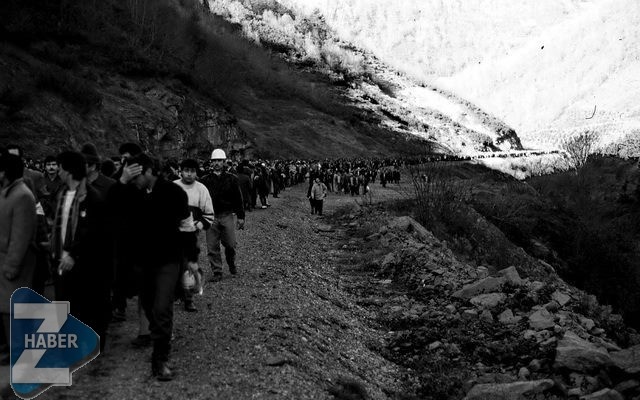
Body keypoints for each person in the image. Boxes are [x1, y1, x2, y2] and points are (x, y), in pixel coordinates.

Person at [110, 153, 198, 381]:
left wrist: (192, 258)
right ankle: (160, 335)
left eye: (135, 175)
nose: (133, 180)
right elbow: (110, 207)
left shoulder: (172, 192)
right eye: (129, 176)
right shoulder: (130, 192)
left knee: (162, 306)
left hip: (169, 260)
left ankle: (160, 358)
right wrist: (122, 181)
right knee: (149, 305)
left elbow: (187, 225)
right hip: (141, 262)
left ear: (148, 171)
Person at [51, 151, 111, 352]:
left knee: (88, 302)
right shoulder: (61, 194)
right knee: (65, 301)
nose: (57, 171)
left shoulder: (92, 198)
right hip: (61, 258)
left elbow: (92, 232)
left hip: (85, 262)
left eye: (59, 167)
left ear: (68, 170)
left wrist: (73, 253)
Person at [0, 152, 37, 357]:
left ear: (4, 172)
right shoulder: (8, 193)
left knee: (15, 310)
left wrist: (11, 266)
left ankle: (20, 353)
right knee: (7, 310)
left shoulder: (22, 195)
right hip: (5, 262)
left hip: (14, 264)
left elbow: (20, 236)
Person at [173, 159, 214, 312]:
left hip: (191, 236)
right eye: (186, 170)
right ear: (181, 171)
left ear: (196, 173)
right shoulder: (173, 187)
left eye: (192, 171)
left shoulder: (201, 189)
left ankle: (189, 298)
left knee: (189, 265)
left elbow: (209, 215)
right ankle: (175, 293)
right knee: (173, 264)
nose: (189, 174)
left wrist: (198, 225)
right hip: (172, 234)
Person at [201, 149, 245, 282]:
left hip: (227, 215)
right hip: (211, 217)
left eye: (219, 160)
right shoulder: (205, 180)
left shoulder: (232, 179)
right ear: (211, 162)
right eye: (214, 161)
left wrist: (241, 217)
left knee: (230, 244)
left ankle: (231, 262)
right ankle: (217, 271)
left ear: (224, 162)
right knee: (212, 246)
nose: (217, 163)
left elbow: (238, 198)